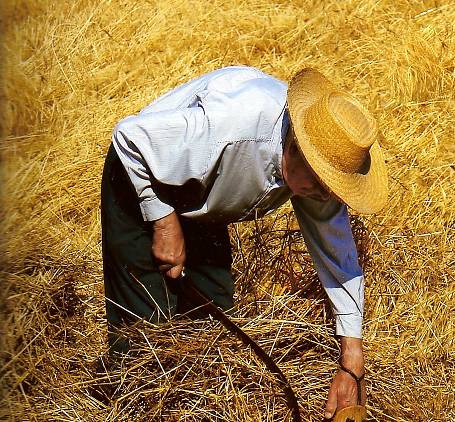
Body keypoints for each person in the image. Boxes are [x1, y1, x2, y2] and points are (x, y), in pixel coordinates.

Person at [101, 66, 387, 419]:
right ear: (296, 146)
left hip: (204, 198)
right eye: (318, 183)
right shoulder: (230, 127)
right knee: (145, 340)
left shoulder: (320, 165)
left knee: (213, 325)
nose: (321, 195)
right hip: (141, 176)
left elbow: (338, 258)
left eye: (330, 187)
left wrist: (351, 361)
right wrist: (163, 221)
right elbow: (130, 138)